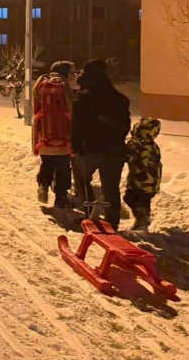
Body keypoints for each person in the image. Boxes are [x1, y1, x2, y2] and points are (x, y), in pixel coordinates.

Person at [71, 58, 131, 230]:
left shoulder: (82, 98)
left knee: (81, 179)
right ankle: (112, 222)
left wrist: (76, 146)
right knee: (111, 187)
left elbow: (76, 126)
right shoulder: (120, 99)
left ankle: (88, 215)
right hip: (114, 150)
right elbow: (124, 126)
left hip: (89, 149)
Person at [33, 61, 77, 209]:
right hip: (62, 134)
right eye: (71, 72)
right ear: (64, 73)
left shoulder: (40, 85)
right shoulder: (63, 87)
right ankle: (61, 197)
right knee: (63, 167)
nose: (73, 75)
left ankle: (43, 185)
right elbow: (71, 108)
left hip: (44, 133)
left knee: (48, 162)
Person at [124, 117, 162, 231]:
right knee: (144, 200)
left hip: (140, 180)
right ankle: (144, 219)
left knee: (130, 198)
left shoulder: (136, 144)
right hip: (152, 182)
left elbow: (127, 157)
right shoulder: (153, 145)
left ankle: (142, 220)